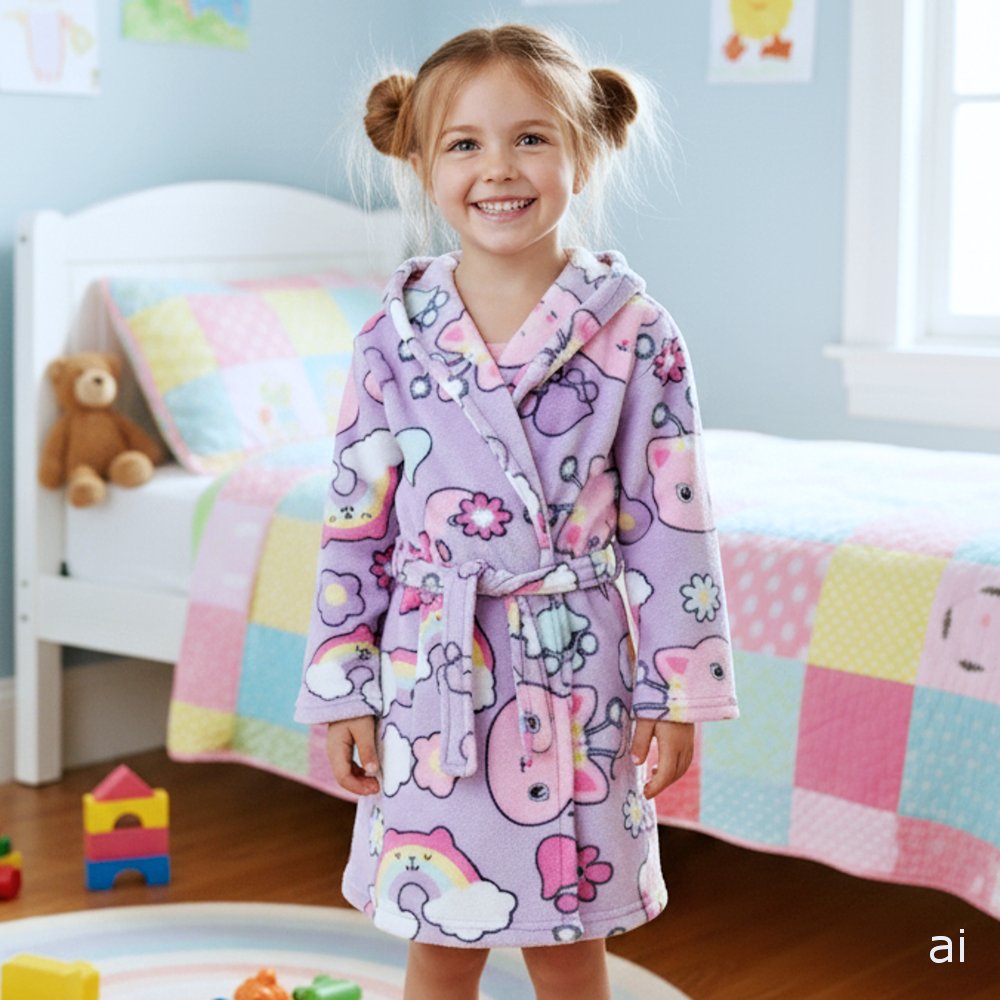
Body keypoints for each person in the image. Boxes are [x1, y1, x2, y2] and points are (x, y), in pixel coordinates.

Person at [294, 23, 738, 1000]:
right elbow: (356, 527)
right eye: (464, 143)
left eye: (530, 137)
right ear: (420, 163)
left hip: (576, 667)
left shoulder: (635, 331)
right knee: (438, 931)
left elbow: (671, 525)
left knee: (571, 936)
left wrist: (677, 691)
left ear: (585, 150)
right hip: (432, 674)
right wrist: (346, 687)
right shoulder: (390, 337)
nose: (498, 167)